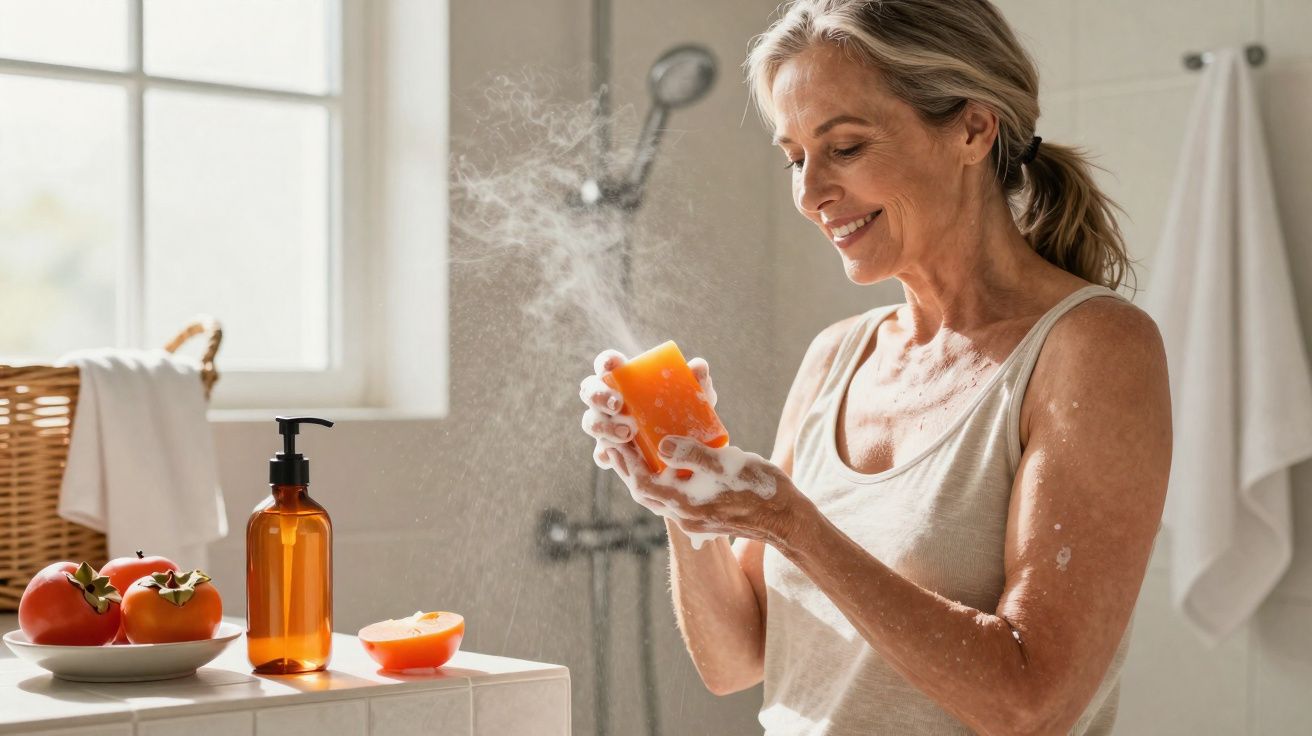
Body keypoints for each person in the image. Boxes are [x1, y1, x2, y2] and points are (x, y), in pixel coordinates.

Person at [579, 1, 1171, 733]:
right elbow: (736, 659)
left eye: (846, 148)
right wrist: (684, 494)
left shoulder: (1092, 349)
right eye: (795, 158)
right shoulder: (837, 356)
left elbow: (1032, 703)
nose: (809, 194)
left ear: (972, 129)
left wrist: (795, 526)